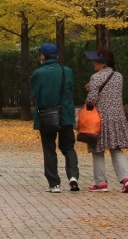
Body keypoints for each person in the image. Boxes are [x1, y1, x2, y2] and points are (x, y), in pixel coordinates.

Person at [29, 43, 79, 193]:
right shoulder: (67, 71)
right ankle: (73, 176)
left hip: (46, 116)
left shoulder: (38, 73)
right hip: (65, 116)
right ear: (57, 56)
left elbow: (34, 92)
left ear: (42, 57)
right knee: (68, 146)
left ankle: (54, 183)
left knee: (49, 148)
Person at [84, 48, 128, 193]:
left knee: (98, 150)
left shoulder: (95, 77)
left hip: (100, 118)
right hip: (117, 117)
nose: (94, 63)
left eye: (96, 61)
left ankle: (101, 183)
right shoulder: (118, 76)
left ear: (103, 63)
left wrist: (88, 101)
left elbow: (92, 100)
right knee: (116, 149)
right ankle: (126, 179)